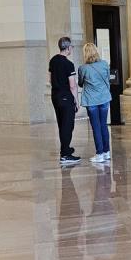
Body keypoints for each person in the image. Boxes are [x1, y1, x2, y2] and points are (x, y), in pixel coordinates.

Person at [77, 42, 112, 164]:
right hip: (104, 98)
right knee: (103, 125)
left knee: (96, 126)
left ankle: (99, 153)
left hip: (91, 100)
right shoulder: (104, 64)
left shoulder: (83, 68)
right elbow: (107, 78)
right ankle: (107, 152)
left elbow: (80, 83)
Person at [49, 36, 81, 165]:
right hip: (66, 97)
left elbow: (50, 79)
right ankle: (65, 155)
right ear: (68, 48)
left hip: (55, 96)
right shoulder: (68, 64)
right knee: (68, 125)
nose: (72, 48)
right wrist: (76, 101)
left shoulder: (53, 61)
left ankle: (65, 149)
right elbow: (72, 85)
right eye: (71, 47)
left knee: (61, 124)